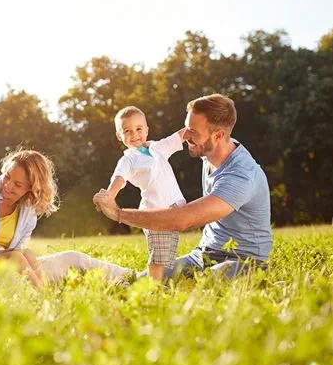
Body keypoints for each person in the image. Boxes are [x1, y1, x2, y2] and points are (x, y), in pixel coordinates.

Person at [94, 94, 272, 279]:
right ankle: (79, 266)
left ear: (218, 135)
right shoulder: (209, 154)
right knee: (146, 281)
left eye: (193, 132)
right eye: (187, 129)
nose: (187, 137)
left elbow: (181, 220)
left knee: (206, 282)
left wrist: (118, 214)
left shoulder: (241, 175)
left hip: (243, 261)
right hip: (203, 256)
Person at [0, 150, 139, 284]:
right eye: (7, 177)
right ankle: (39, 292)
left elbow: (20, 252)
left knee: (73, 258)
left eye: (18, 185)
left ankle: (135, 278)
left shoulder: (28, 212)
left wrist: (31, 271)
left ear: (31, 188)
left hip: (14, 268)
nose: (8, 186)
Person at [106, 106, 187, 280]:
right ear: (119, 136)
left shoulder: (157, 147)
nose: (134, 134)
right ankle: (154, 287)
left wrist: (197, 127)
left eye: (138, 129)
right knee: (159, 255)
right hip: (154, 210)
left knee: (166, 252)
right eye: (127, 131)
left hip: (173, 208)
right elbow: (119, 178)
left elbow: (179, 136)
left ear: (147, 130)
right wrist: (109, 196)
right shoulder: (128, 159)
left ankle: (156, 281)